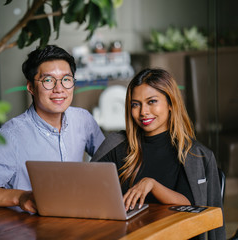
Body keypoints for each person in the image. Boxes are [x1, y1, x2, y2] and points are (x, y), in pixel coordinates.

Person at [0, 45, 105, 213]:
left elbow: (111, 161)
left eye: (66, 79)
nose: (59, 89)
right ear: (30, 87)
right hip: (29, 227)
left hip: (77, 219)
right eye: (48, 80)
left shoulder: (83, 119)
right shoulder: (10, 136)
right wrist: (21, 197)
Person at [91, 68, 225, 239]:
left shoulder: (193, 154)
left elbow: (189, 205)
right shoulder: (116, 144)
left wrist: (152, 185)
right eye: (135, 104)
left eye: (152, 102)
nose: (143, 112)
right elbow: (88, 189)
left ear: (170, 103)